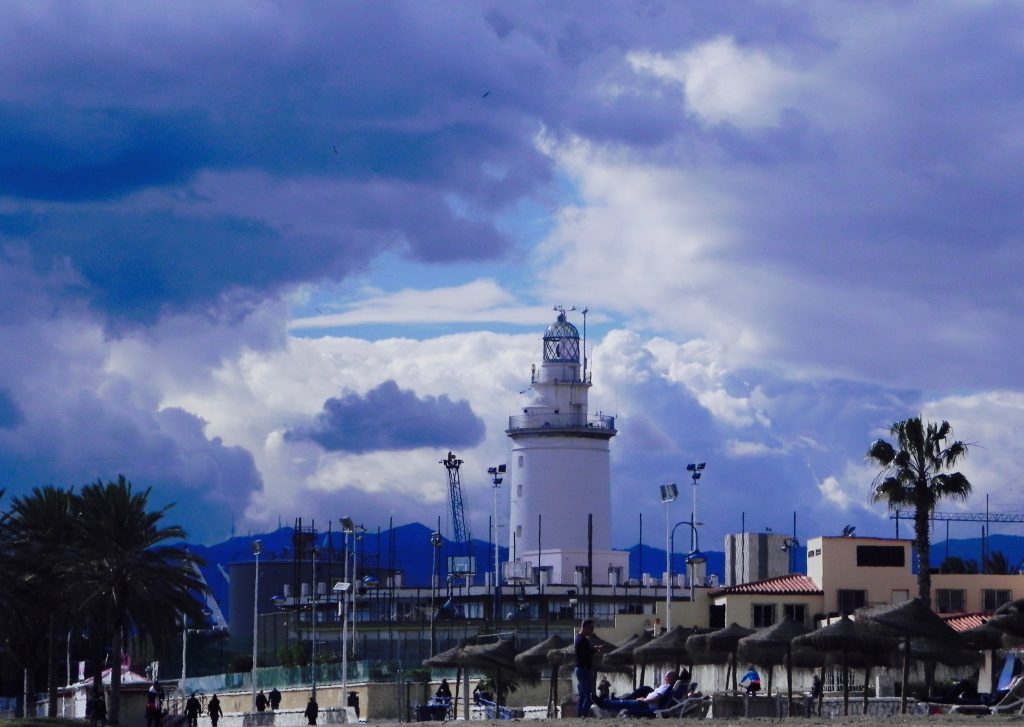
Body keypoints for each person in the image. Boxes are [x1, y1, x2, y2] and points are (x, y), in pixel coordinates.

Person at [594, 671, 679, 717]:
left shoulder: (667, 687)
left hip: (646, 705)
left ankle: (603, 703)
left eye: (667, 676)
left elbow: (656, 698)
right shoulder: (668, 687)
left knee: (623, 703)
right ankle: (606, 703)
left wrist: (644, 700)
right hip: (647, 704)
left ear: (672, 678)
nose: (665, 677)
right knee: (624, 703)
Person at [575, 618, 601, 717]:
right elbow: (585, 655)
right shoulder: (583, 640)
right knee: (589, 695)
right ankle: (584, 714)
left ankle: (579, 714)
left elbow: (583, 653)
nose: (592, 630)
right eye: (591, 628)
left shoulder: (578, 638)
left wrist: (592, 650)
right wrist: (593, 651)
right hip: (583, 669)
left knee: (582, 695)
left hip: (579, 669)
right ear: (585, 627)